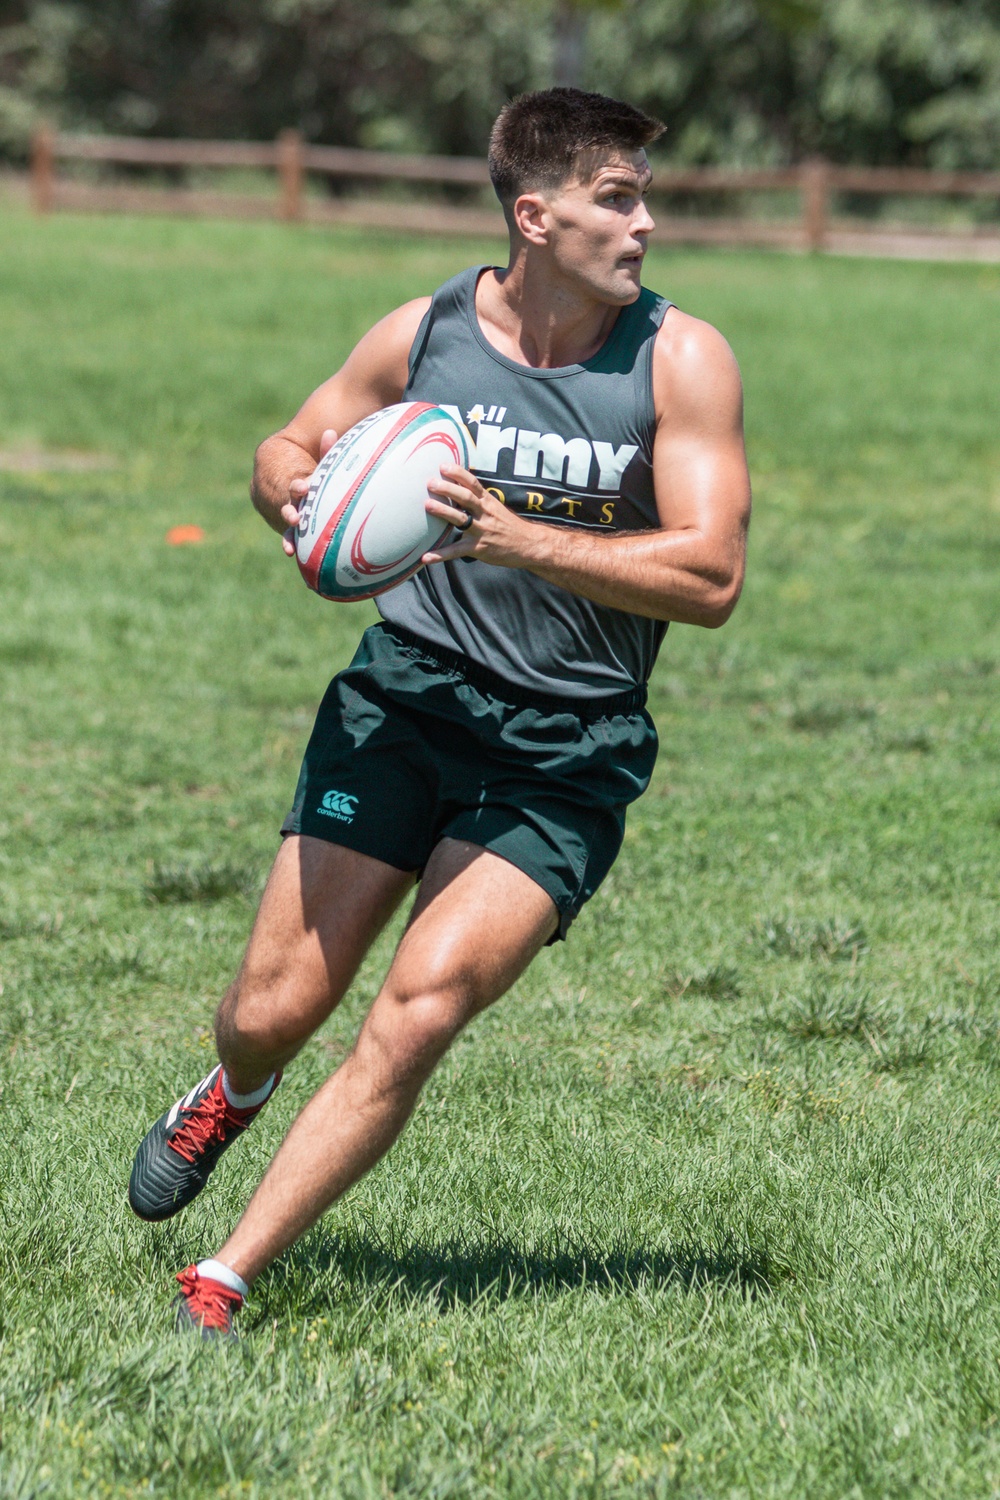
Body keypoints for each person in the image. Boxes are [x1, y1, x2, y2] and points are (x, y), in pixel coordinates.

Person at [128, 86, 751, 1337]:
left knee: (417, 1010)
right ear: (535, 213)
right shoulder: (426, 334)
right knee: (272, 1010)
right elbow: (288, 448)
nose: (644, 224)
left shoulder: (679, 359)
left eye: (643, 198)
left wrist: (521, 541)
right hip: (404, 700)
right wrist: (299, 509)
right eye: (614, 198)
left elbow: (711, 575)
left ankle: (224, 1279)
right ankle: (233, 1091)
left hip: (565, 749)